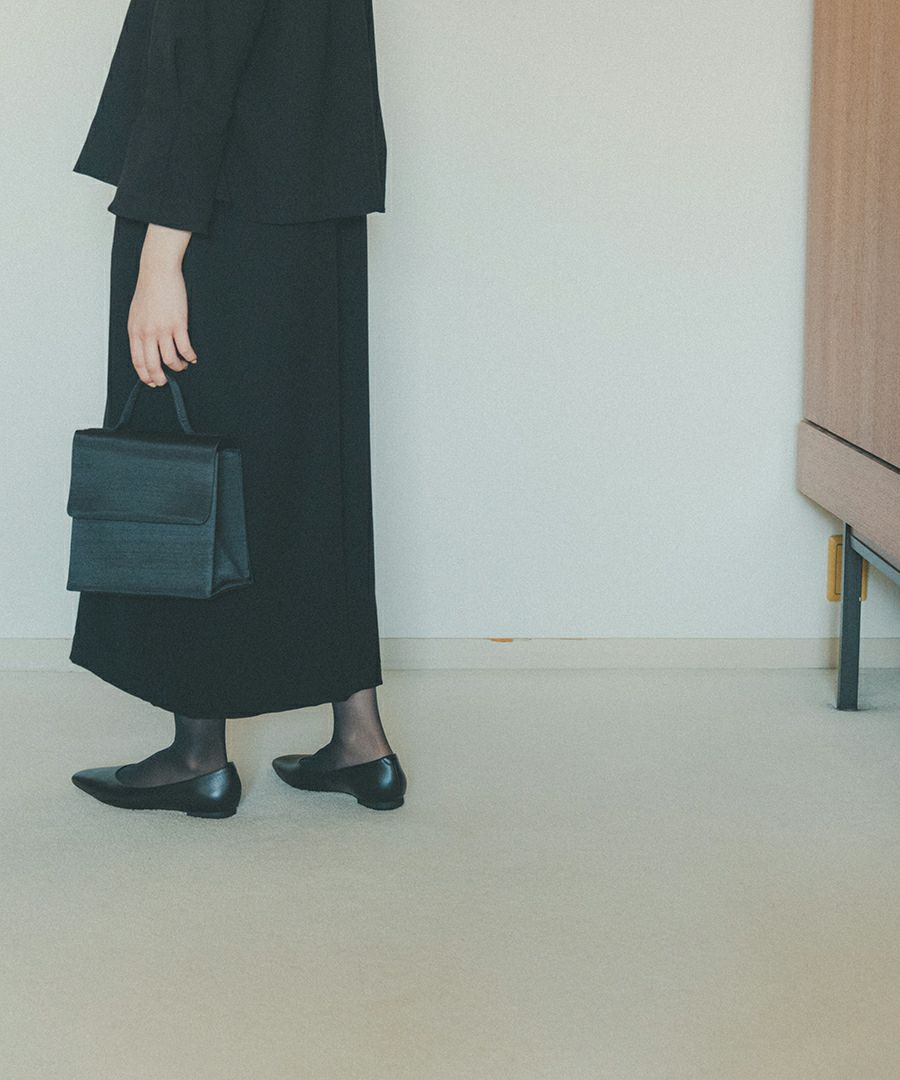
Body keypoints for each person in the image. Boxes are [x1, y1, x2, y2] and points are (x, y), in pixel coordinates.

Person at [68, 0, 406, 818]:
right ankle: (362, 741)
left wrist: (161, 258)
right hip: (312, 218)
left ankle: (197, 756)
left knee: (190, 466)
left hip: (218, 219)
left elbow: (196, 66)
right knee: (315, 467)